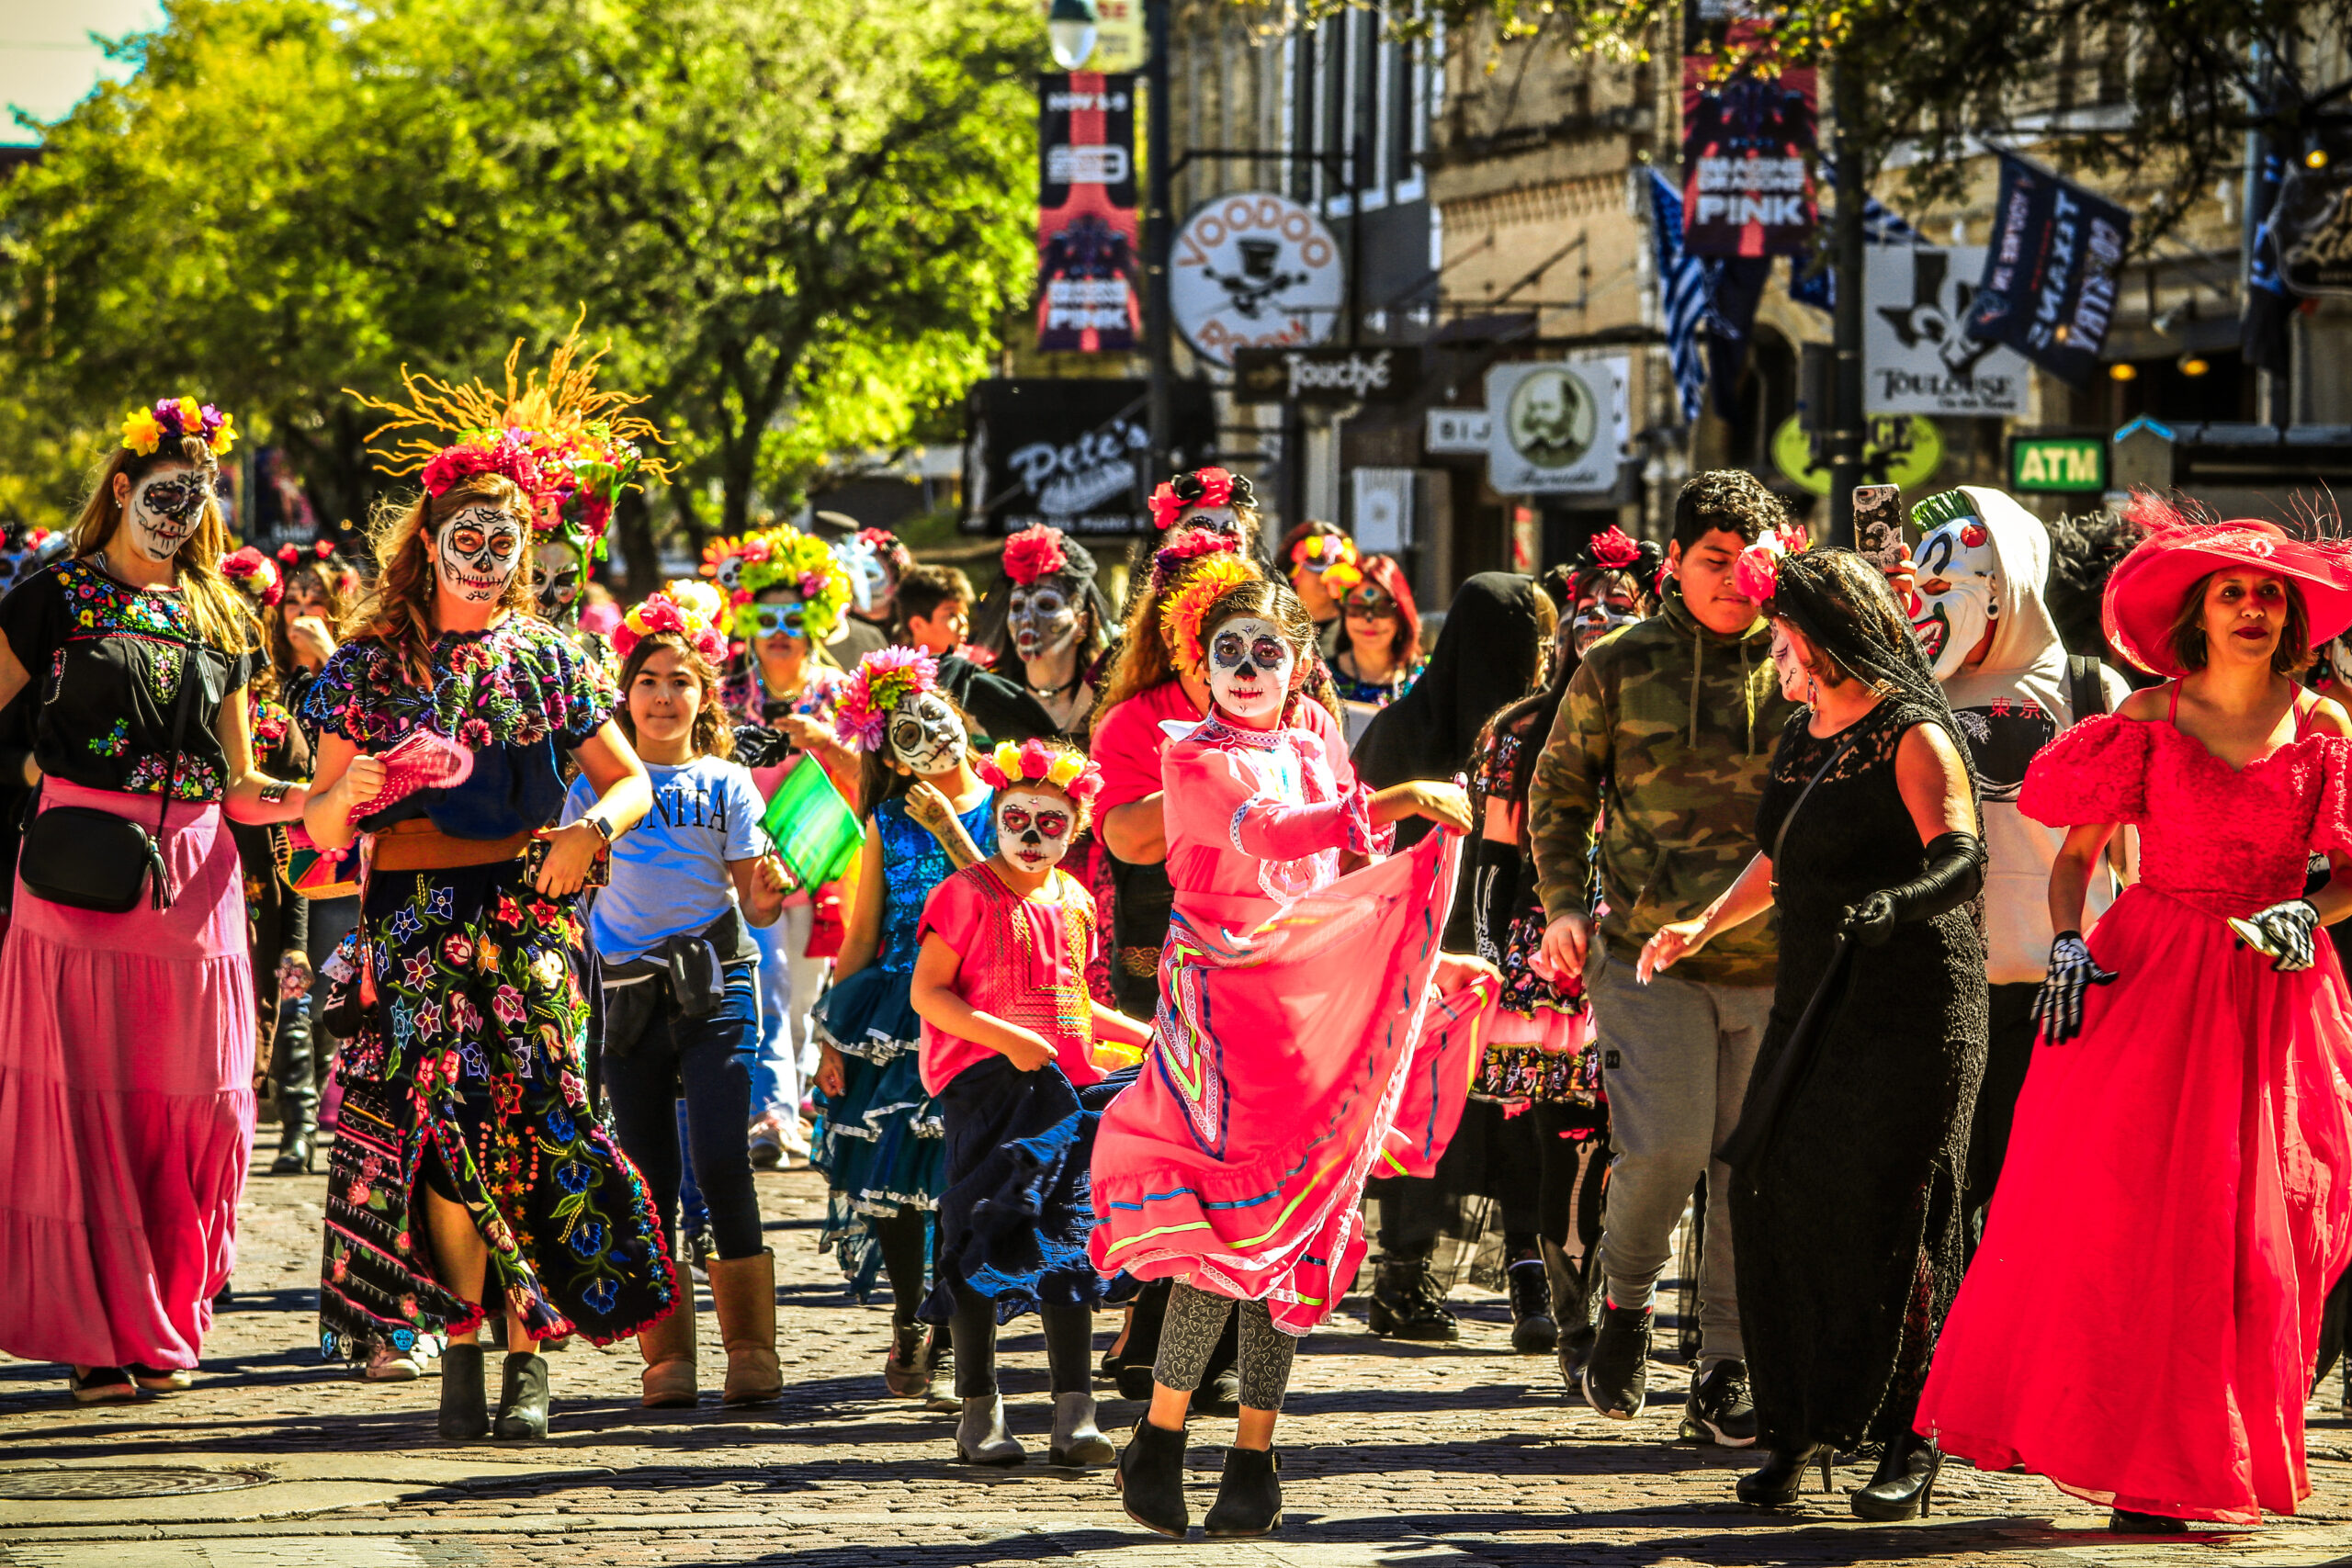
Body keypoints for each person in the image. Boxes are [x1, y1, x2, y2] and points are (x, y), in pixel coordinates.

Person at [1917, 506, 2352, 1533]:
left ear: (2289, 617)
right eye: (2231, 592)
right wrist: (2068, 943)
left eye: (2268, 595)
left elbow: (2346, 878)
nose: (2251, 607)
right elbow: (2074, 861)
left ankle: (2217, 1450)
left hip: (2275, 991)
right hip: (2148, 979)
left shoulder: (2327, 726)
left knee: (2266, 1229)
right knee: (2132, 1222)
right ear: (2194, 615)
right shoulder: (2147, 719)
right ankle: (2133, 1454)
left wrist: (2308, 909)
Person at [303, 370, 669, 1443]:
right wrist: (348, 793)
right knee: (442, 1132)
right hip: (414, 918)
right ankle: (458, 1336)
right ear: (430, 537)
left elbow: (630, 778)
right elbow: (321, 833)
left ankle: (529, 1357)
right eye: (468, 533)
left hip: (528, 912)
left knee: (535, 1118)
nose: (486, 554)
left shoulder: (552, 657)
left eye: (504, 538)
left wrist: (591, 831)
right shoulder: (368, 668)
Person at [1092, 575, 1494, 1540]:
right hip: (1223, 1001)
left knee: (1307, 1228)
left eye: (1265, 651)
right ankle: (1161, 1432)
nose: (1245, 671)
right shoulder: (1188, 753)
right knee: (1233, 1230)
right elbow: (1266, 832)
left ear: (1299, 662)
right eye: (1227, 652)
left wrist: (1421, 954)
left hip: (1313, 995)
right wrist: (1402, 796)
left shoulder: (1315, 733)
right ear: (1196, 664)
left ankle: (1253, 1455)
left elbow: (1341, 870)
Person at [1639, 543, 1988, 1519]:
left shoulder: (1914, 736)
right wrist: (1702, 922)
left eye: (1784, 640)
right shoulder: (1804, 735)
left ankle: (1905, 1436)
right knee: (1771, 1192)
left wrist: (1899, 902)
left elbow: (1959, 859)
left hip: (1911, 1010)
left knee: (1893, 1217)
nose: (1775, 657)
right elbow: (1780, 857)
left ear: (1828, 639)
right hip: (1814, 1000)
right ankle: (1796, 1425)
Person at [0, 397, 312, 1404]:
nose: (180, 512)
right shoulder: (49, 599)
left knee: (207, 1103)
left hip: (195, 881)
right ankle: (99, 1337)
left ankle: (166, 1322)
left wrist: (321, 798)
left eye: (199, 496)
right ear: (124, 490)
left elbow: (239, 780)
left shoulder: (221, 613)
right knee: (85, 1106)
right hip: (74, 876)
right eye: (165, 493)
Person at [1526, 470, 1801, 1447]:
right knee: (1670, 1149)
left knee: (1746, 1169)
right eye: (1712, 562)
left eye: (1750, 561)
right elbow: (1554, 794)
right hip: (1647, 958)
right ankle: (1626, 1305)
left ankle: (1725, 1362)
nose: (1733, 580)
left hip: (1777, 959)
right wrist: (1564, 904)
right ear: (1673, 563)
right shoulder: (1615, 661)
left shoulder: (1807, 661)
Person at [571, 588, 790, 1409]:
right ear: (625, 695)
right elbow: (570, 885)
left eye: (681, 681)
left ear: (706, 694)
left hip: (717, 986)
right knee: (647, 1175)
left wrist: (771, 888)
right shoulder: (592, 780)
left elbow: (758, 905)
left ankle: (750, 1350)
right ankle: (666, 1359)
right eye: (649, 681)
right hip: (626, 997)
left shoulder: (728, 782)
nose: (664, 696)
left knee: (722, 1160)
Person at [907, 737, 1153, 1466]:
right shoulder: (964, 894)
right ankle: (979, 1406)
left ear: (1075, 827)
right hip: (985, 1092)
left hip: (1066, 1096)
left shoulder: (1075, 899)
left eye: (1051, 822)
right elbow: (929, 993)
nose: (1032, 834)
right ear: (997, 816)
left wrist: (1146, 1035)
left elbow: (1075, 1000)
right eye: (1018, 816)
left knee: (1069, 1246)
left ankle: (1074, 1409)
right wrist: (1004, 1038)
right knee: (982, 1237)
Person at [1903, 487, 2133, 1251]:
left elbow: (2132, 856)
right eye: (1923, 588)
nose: (1932, 604)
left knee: (2042, 1194)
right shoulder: (1910, 688)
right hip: (1939, 984)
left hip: (2061, 988)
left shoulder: (2091, 689)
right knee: (1942, 1188)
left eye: (1949, 585)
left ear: (2007, 580)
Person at [1456, 532, 1662, 1383]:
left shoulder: (1673, 713)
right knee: (1570, 1143)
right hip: (1547, 960)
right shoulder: (1520, 729)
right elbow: (1494, 863)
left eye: (1622, 605)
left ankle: (1638, 1312)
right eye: (1587, 604)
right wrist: (1483, 959)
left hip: (1656, 950)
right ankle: (1577, 1327)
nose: (1601, 617)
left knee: (1647, 1141)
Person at [1351, 574, 1554, 1344]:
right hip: (1466, 956)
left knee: (1437, 1112)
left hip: (1434, 957)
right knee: (1442, 1113)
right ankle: (1437, 1278)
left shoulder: (1407, 724)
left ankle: (1409, 1277)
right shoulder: (1512, 732)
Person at [809, 648, 997, 1398]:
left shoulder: (1013, 800)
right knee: (896, 1176)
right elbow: (862, 930)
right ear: (886, 751)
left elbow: (1008, 900)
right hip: (892, 1010)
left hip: (980, 1007)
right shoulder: (886, 817)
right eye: (903, 730)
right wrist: (831, 1031)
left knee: (962, 1173)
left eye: (934, 714)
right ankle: (910, 1316)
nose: (928, 732)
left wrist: (953, 824)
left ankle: (952, 1323)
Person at [712, 525, 856, 1171]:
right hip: (745, 869)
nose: (778, 630)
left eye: (792, 617)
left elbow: (871, 776)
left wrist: (824, 739)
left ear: (816, 621)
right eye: (764, 618)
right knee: (764, 987)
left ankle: (792, 1105)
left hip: (820, 868)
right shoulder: (722, 690)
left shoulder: (840, 693)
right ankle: (772, 1111)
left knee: (803, 998)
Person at [218, 547, 322, 1181]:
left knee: (282, 1025)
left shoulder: (275, 722)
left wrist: (299, 941)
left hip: (262, 903)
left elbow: (298, 840)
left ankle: (300, 1128)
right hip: (185, 897)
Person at [979, 525, 1115, 740]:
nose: (1027, 619)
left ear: (1082, 623)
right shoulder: (987, 704)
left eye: (1046, 605)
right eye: (1017, 607)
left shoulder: (1107, 704)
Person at [1329, 556, 1424, 716]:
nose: (1369, 618)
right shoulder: (1322, 678)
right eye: (1357, 607)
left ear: (1400, 615)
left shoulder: (1425, 678)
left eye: (1383, 608)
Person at [1278, 520, 1357, 652]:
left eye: (1338, 561)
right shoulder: (1270, 623)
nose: (1328, 571)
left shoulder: (1358, 628)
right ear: (1292, 568)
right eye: (1317, 560)